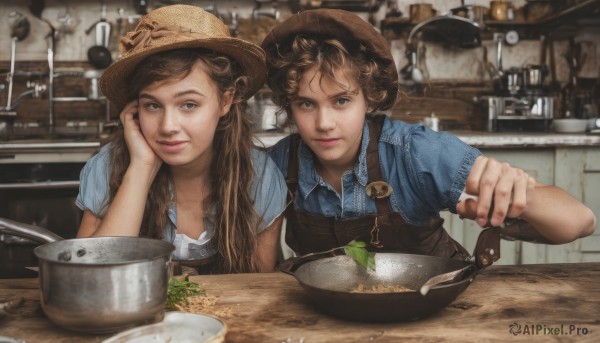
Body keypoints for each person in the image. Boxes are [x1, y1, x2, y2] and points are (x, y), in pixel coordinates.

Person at [261, 9, 596, 259]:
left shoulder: (415, 153)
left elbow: (581, 222)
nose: (324, 123)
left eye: (341, 101)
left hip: (434, 307)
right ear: (288, 105)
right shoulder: (279, 164)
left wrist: (521, 193)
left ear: (369, 98)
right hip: (330, 316)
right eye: (306, 104)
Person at [76, 4, 287, 274]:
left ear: (226, 99)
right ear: (134, 109)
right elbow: (89, 278)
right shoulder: (106, 167)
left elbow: (259, 288)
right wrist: (141, 168)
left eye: (188, 105)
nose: (168, 126)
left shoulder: (261, 176)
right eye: (152, 105)